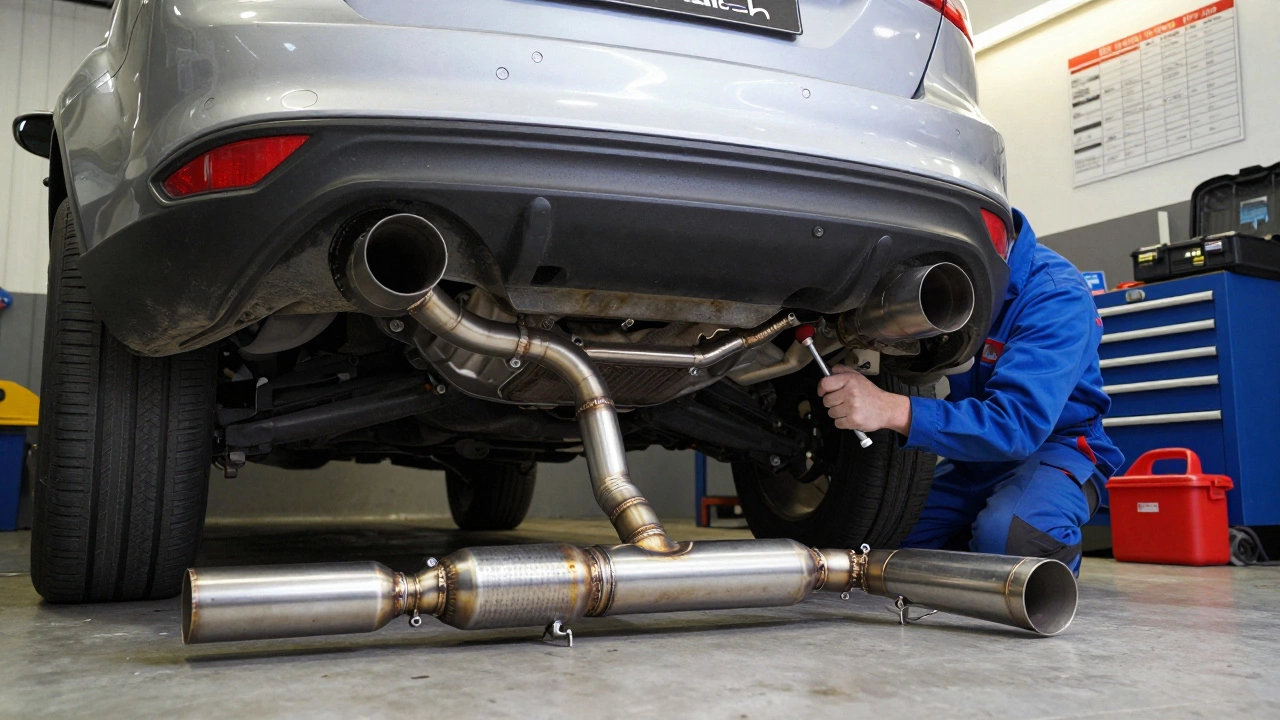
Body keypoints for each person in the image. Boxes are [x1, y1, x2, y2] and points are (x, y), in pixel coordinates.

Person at [817, 210, 1122, 575]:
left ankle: (1044, 546)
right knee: (876, 538)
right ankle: (979, 547)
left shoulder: (1056, 296)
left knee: (1012, 542)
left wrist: (890, 409)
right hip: (975, 460)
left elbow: (1017, 426)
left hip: (1055, 452)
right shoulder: (948, 277)